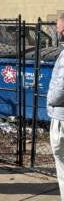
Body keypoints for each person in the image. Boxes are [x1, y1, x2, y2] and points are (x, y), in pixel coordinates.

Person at [47, 13, 64, 200]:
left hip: (61, 117)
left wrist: (50, 99)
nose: (59, 34)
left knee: (62, 167)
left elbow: (61, 87)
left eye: (60, 30)